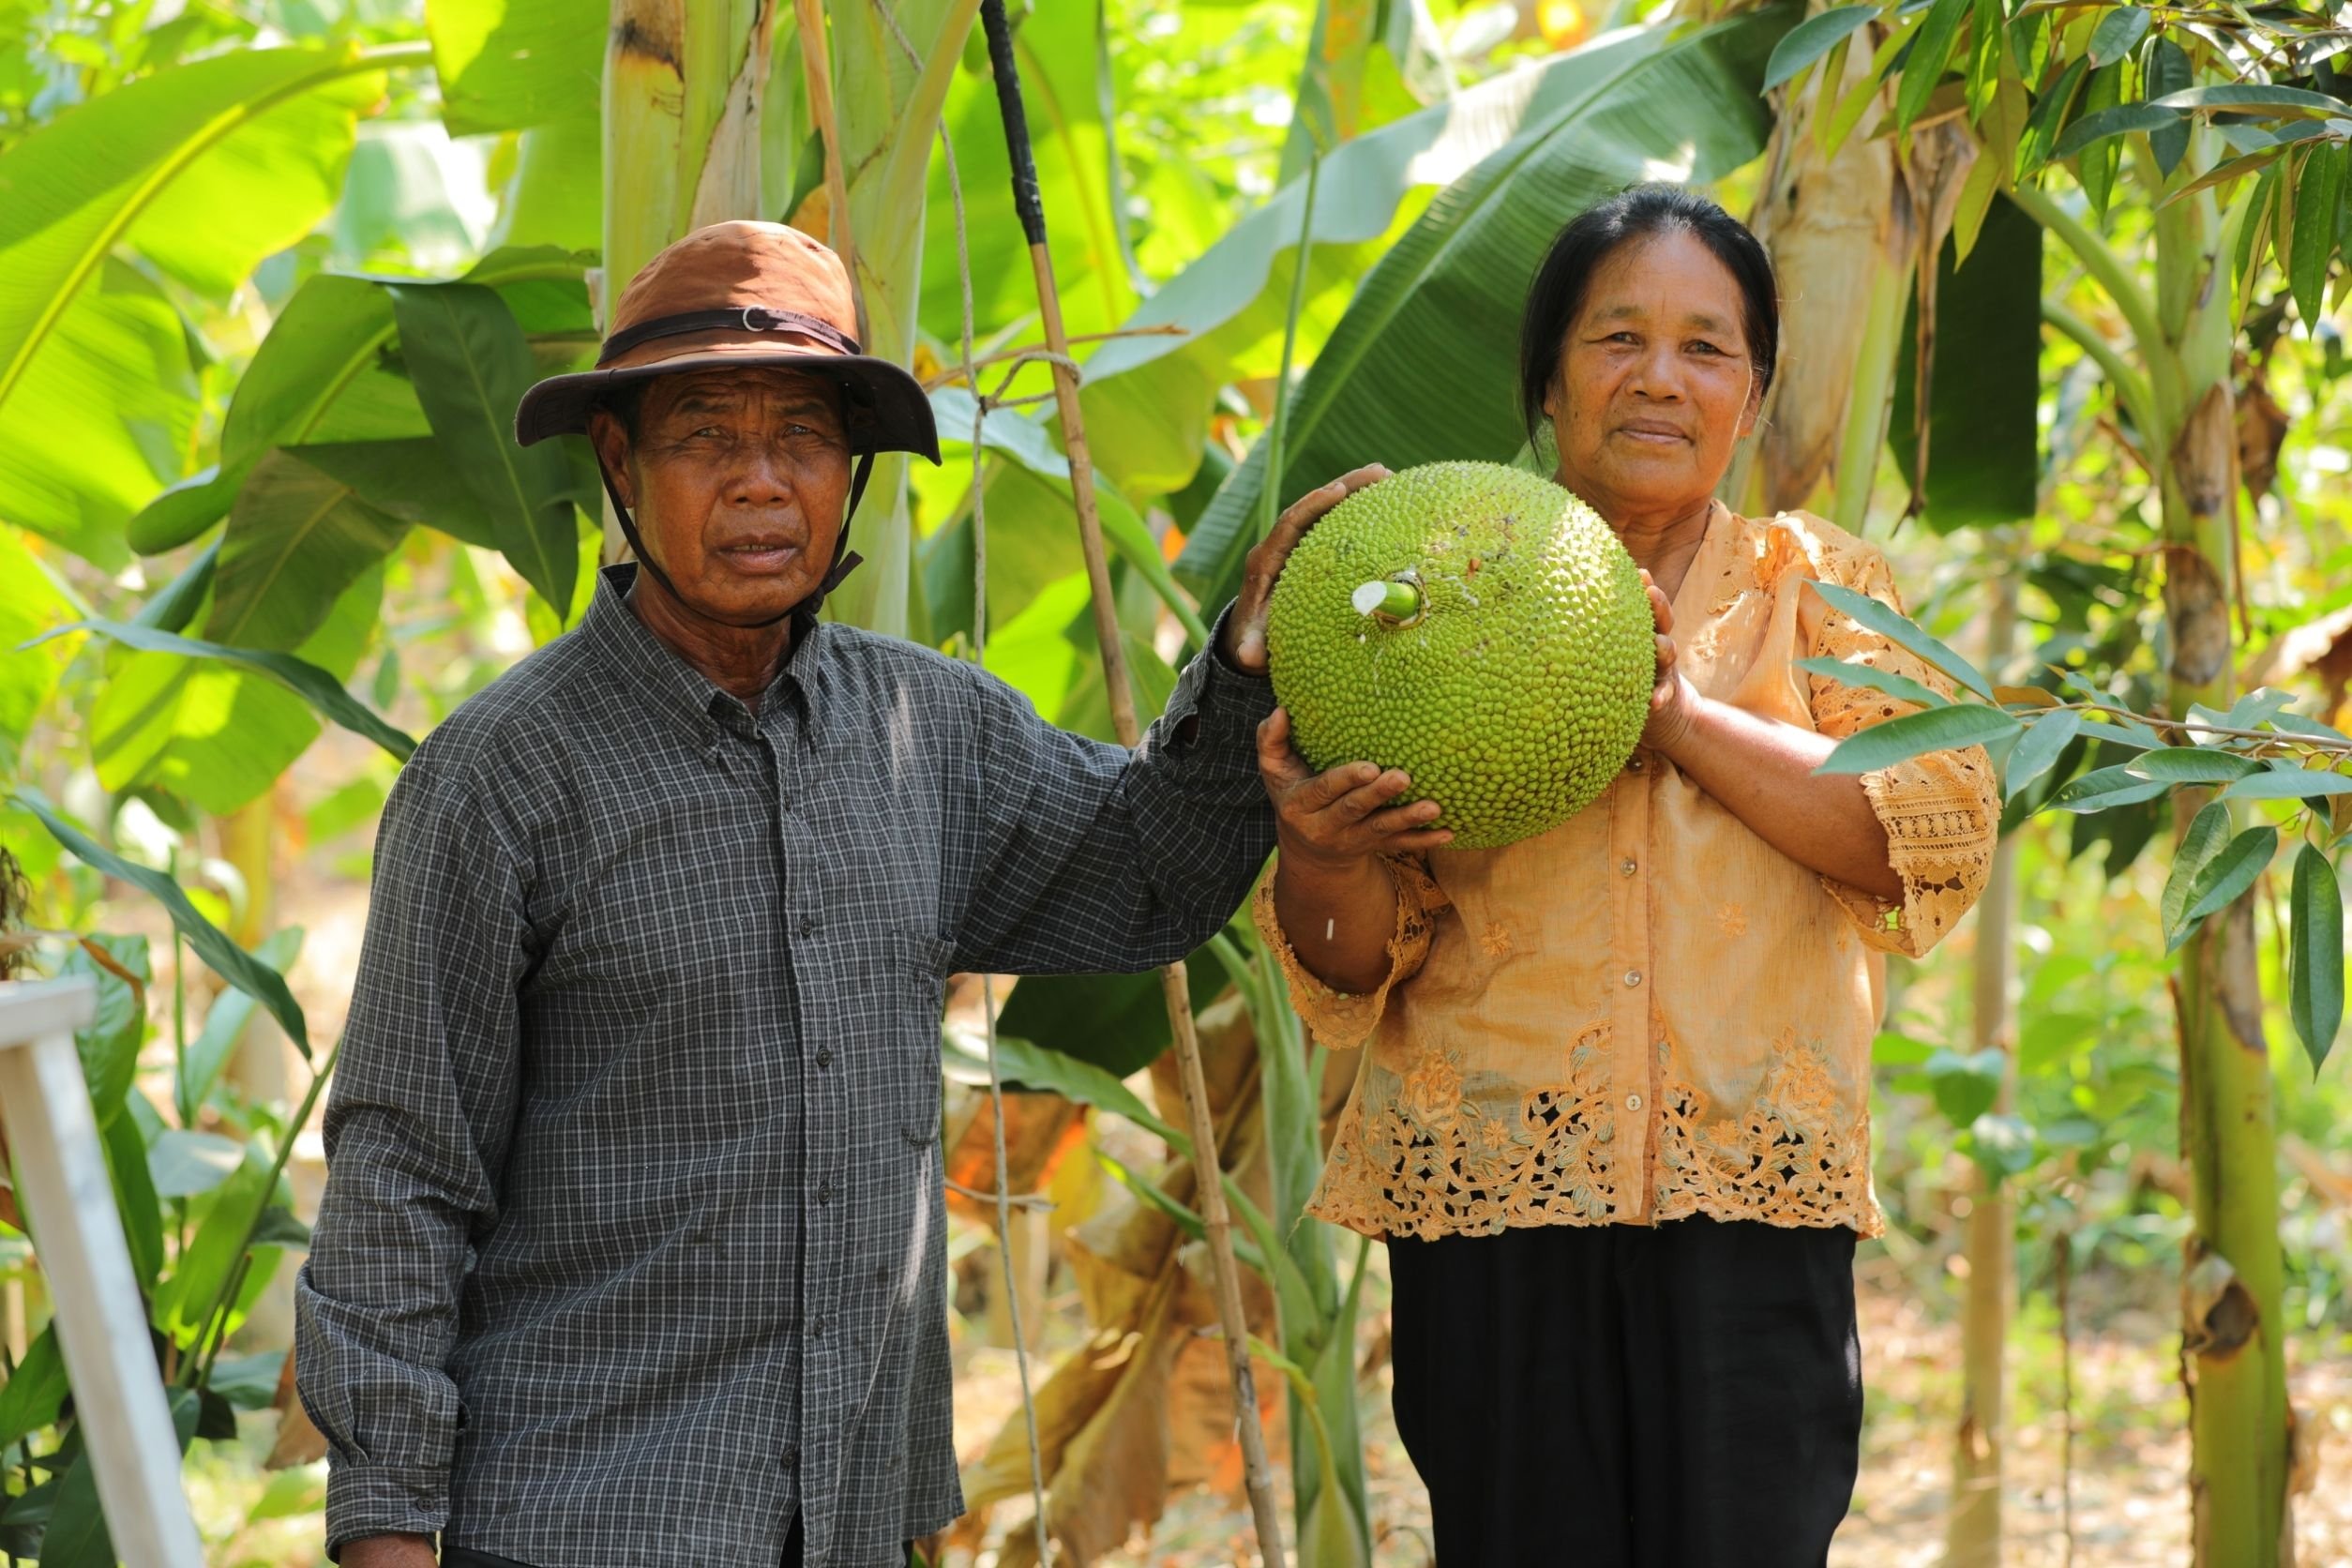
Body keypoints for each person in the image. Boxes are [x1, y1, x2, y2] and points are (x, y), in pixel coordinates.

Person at [294, 220, 1400, 1568]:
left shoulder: (926, 732)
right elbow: (403, 1175)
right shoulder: (503, 777)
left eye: (803, 439)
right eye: (706, 435)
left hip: (853, 1523)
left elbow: (1148, 875)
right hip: (577, 1516)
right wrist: (388, 1533)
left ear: (852, 472)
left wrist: (1245, 658)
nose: (760, 483)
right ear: (618, 462)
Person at [1252, 185, 2001, 1565]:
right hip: (1493, 1213)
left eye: (1707, 347)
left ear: (1755, 392)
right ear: (1548, 379)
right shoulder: (1427, 592)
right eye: (1618, 339)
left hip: (1753, 1213)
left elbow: (1926, 831)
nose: (1661, 377)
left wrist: (1674, 715)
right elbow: (1351, 964)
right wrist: (1317, 845)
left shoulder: (1818, 589)